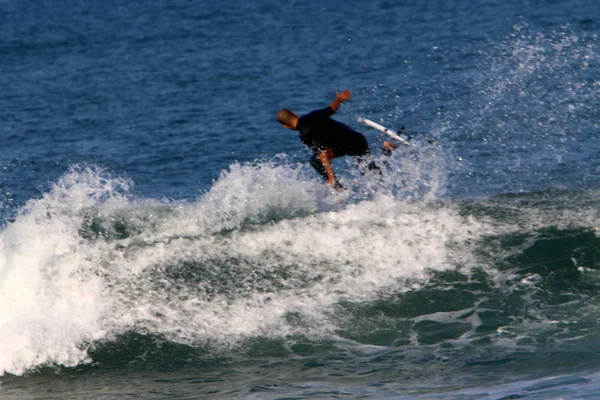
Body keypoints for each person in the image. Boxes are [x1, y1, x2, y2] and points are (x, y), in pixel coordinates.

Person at [277, 90, 396, 190]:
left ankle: (337, 186)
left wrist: (331, 177)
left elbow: (323, 154)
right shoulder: (314, 115)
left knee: (316, 161)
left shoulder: (305, 135)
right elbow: (332, 108)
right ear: (294, 113)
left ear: (286, 126)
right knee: (370, 171)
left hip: (344, 147)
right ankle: (388, 150)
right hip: (357, 140)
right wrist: (340, 99)